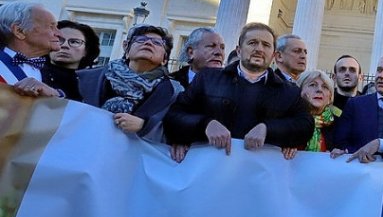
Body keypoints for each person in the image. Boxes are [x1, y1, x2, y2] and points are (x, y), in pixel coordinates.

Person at [164, 22, 313, 162]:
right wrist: (205, 124)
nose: (259, 49)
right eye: (252, 43)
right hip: (209, 169)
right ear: (239, 50)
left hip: (259, 173)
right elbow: (174, 117)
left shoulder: (289, 91)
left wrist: (268, 128)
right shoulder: (207, 78)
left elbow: (305, 127)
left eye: (266, 45)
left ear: (273, 55)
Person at [77, 25, 183, 142]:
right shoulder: (86, 78)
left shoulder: (176, 92)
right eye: (141, 40)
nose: (148, 43)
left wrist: (144, 126)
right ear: (127, 50)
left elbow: (175, 131)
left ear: (165, 59)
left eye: (157, 43)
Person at [0, 1, 75, 99]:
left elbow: (74, 110)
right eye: (51, 27)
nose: (59, 34)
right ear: (20, 31)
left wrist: (54, 94)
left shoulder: (62, 75)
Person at [296, 69, 342, 154]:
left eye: (325, 87)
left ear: (330, 98)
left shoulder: (338, 124)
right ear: (300, 91)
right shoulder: (289, 120)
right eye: (312, 85)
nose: (319, 90)